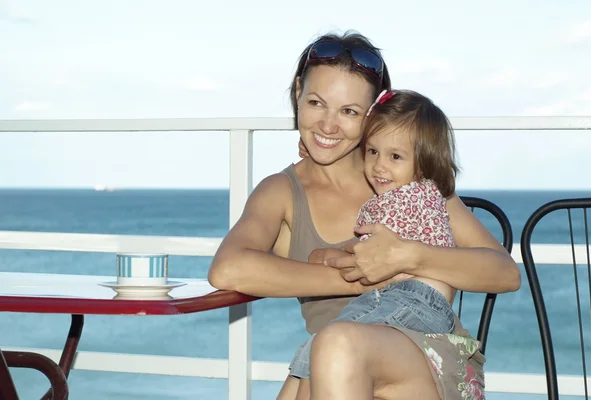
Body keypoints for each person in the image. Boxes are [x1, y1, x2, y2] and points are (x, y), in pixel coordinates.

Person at [208, 30, 521, 400]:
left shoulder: (403, 177)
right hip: (332, 366)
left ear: (373, 115)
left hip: (421, 361)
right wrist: (367, 278)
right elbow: (228, 270)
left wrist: (411, 256)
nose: (328, 125)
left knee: (334, 349)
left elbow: (505, 273)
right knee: (329, 353)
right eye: (316, 103)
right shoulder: (282, 192)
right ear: (297, 95)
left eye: (349, 112)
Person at [289, 88, 462, 399]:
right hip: (391, 301)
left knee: (323, 350)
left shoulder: (418, 195)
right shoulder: (392, 197)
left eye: (395, 156)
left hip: (417, 301)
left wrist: (331, 255)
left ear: (423, 164)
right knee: (312, 355)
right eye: (372, 152)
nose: (380, 165)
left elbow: (373, 260)